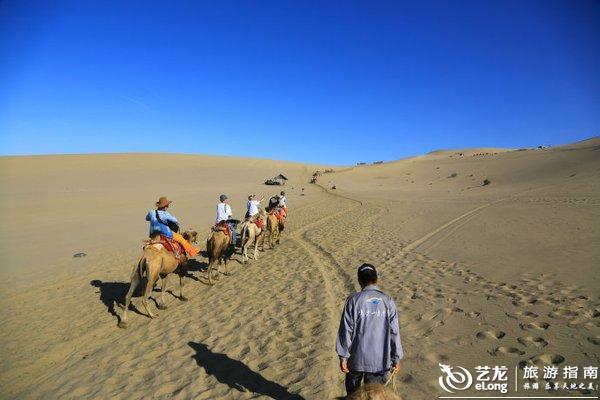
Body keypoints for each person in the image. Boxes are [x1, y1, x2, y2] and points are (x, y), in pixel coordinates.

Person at [336, 263, 403, 396]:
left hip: (356, 360)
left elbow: (346, 330)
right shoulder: (387, 301)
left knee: (353, 396)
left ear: (359, 281)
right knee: (374, 396)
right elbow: (394, 331)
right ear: (376, 279)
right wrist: (396, 358)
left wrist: (343, 357)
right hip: (379, 361)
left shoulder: (353, 300)